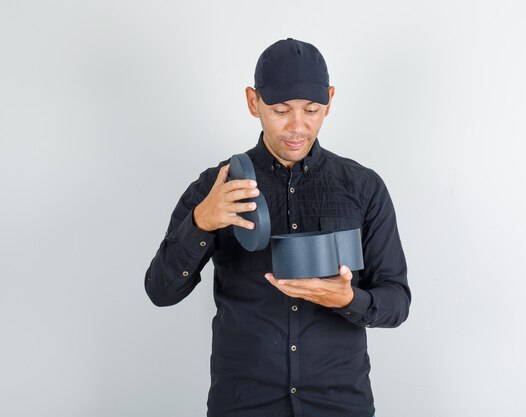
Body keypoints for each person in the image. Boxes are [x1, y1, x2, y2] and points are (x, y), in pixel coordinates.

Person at [145, 38, 410, 417]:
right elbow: (160, 291)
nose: (297, 127)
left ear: (330, 100)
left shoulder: (363, 187)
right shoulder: (215, 186)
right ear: (254, 102)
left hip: (339, 404)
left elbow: (397, 300)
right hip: (243, 404)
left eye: (312, 110)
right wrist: (201, 222)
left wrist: (349, 301)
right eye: (281, 110)